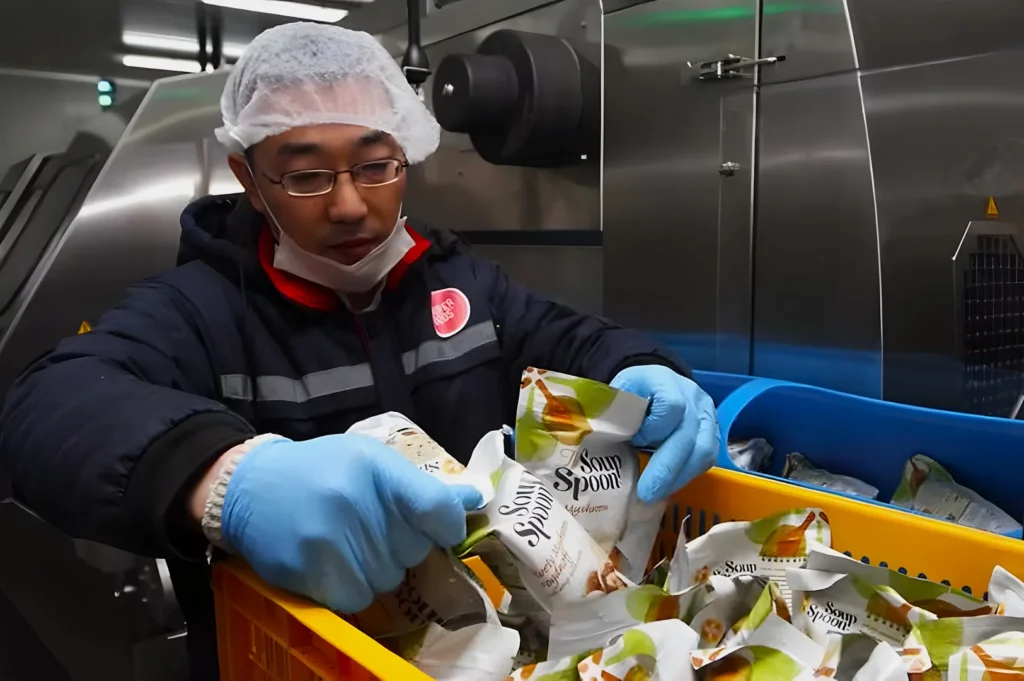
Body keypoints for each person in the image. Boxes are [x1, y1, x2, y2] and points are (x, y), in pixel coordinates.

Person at [0, 23, 718, 680]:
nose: (349, 205)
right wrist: (225, 479)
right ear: (249, 178)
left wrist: (638, 367)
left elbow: (569, 338)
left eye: (376, 166)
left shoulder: (460, 284)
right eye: (307, 175)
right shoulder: (200, 310)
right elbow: (47, 405)